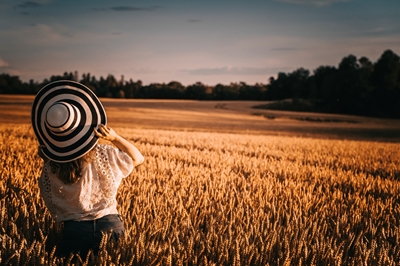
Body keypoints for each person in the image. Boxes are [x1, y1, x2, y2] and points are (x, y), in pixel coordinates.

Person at [32, 80, 144, 258]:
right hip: (111, 226)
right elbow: (138, 158)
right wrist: (114, 137)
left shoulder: (50, 169)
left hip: (74, 231)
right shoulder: (104, 153)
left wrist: (51, 156)